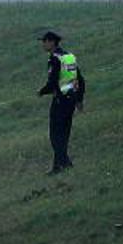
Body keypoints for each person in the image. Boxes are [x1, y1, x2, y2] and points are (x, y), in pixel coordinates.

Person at [37, 31, 85, 174]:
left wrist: (41, 92)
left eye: (45, 41)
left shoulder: (55, 59)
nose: (43, 44)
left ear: (52, 42)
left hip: (60, 101)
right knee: (64, 133)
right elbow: (80, 79)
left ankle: (64, 163)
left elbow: (52, 82)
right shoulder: (69, 57)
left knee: (55, 135)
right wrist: (79, 99)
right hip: (71, 100)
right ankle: (59, 166)